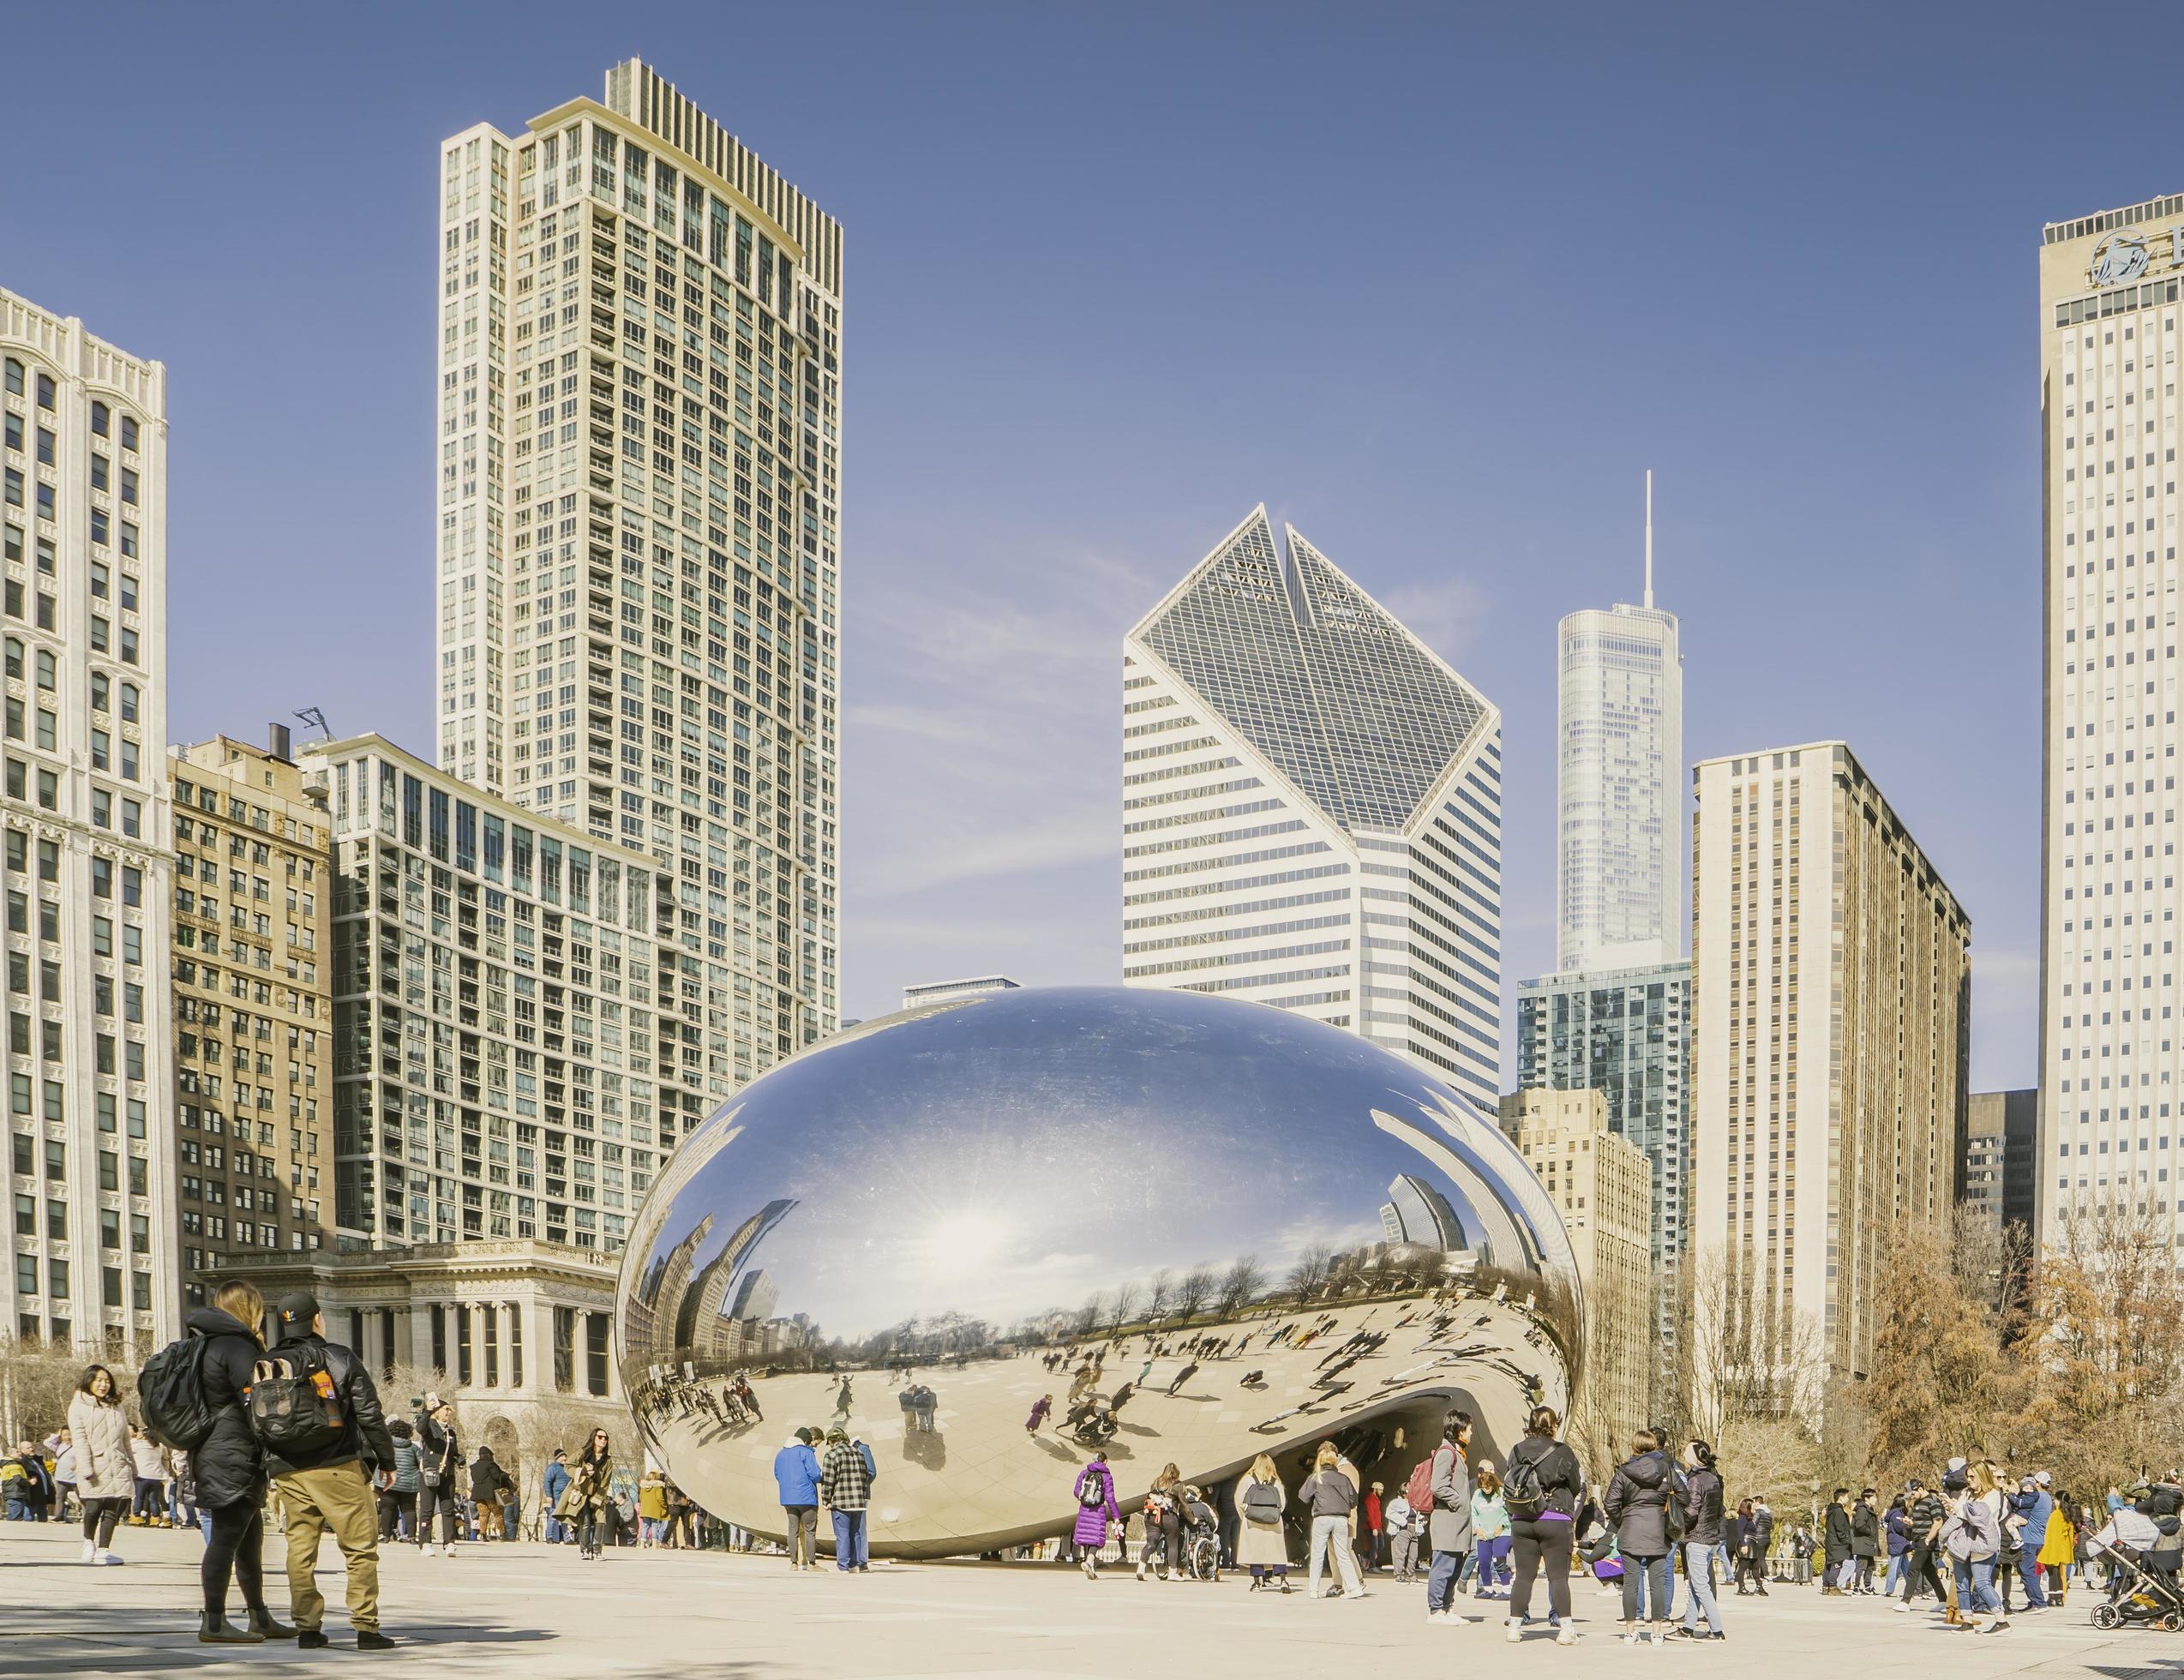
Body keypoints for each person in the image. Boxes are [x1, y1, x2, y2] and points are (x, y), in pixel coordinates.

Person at [262, 1290, 398, 1652]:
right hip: (336, 1465)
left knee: (300, 1548)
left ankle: (307, 1628)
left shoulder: (268, 1363)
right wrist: (387, 1460)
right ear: (317, 1319)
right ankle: (366, 1627)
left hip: (287, 1469)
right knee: (359, 1548)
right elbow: (369, 1412)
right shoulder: (337, 1356)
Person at [186, 1280, 290, 1644]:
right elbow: (264, 1404)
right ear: (250, 1309)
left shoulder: (203, 1345)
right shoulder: (238, 1347)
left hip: (213, 1451)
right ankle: (214, 1621)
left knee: (249, 1538)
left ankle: (259, 1615)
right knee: (227, 1538)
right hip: (233, 1454)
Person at [1502, 1404, 1582, 1644]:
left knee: (1523, 1577)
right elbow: (1575, 1485)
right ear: (1553, 1425)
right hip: (1555, 1517)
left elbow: (1511, 1479)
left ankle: (1515, 1627)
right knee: (1557, 1577)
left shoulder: (1516, 1450)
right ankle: (1566, 1629)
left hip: (1523, 1517)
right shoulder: (1563, 1451)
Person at [1604, 1428, 1676, 1644]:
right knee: (1657, 1583)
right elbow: (1684, 1497)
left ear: (1634, 1446)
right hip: (1658, 1530)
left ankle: (1629, 1631)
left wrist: (1622, 1519)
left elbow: (1610, 1503)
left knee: (1631, 1583)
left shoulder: (1624, 1471)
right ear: (1654, 1446)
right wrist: (1674, 1522)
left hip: (1631, 1529)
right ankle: (1656, 1632)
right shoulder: (1666, 1470)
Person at [67, 1365, 134, 1564]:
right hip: (95, 1462)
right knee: (94, 1506)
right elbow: (79, 1440)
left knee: (114, 1507)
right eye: (98, 1380)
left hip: (117, 1463)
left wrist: (132, 1463)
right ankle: (88, 1542)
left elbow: (125, 1439)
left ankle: (104, 1550)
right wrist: (86, 1467)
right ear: (89, 1381)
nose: (103, 1384)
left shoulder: (116, 1406)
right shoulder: (78, 1406)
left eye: (107, 1381)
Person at [1942, 1460, 2007, 1635]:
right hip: (1963, 1542)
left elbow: (1980, 1514)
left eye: (1972, 1477)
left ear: (1981, 1477)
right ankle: (1967, 1621)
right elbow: (1961, 1513)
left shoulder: (1993, 1495)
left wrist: (1958, 1508)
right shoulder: (1966, 1493)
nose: (1969, 1480)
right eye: (1967, 1477)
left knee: (1982, 1583)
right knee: (1962, 1583)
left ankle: (2001, 1620)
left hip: (1983, 1544)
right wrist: (1951, 1508)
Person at [1301, 1441, 1368, 1600]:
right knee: (1342, 1553)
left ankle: (1314, 1590)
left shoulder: (1318, 1476)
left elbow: (1303, 1496)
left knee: (1318, 1554)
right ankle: (1352, 1587)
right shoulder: (1343, 1475)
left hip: (1324, 1516)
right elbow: (1354, 1499)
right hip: (1341, 1518)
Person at [1425, 1410, 1473, 1622]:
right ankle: (1435, 1610)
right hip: (1447, 1519)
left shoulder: (1457, 1452)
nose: (1471, 1433)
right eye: (1469, 1429)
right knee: (1443, 1565)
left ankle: (1446, 1607)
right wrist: (1459, 1502)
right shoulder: (1446, 1453)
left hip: (1457, 1521)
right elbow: (1438, 1486)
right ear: (1458, 1430)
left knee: (1453, 1568)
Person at [1674, 1440, 1725, 1640]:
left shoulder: (1695, 1480)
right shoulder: (1712, 1478)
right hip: (1709, 1537)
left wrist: (1676, 1523)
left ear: (1694, 1457)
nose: (1683, 1454)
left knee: (1701, 1586)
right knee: (1696, 1584)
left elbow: (1692, 1511)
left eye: (1686, 1451)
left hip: (1697, 1538)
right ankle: (1688, 1627)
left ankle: (1717, 1629)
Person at [1895, 1477, 1951, 1613]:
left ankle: (1905, 1601)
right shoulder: (1918, 1502)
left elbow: (1938, 1521)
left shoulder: (1933, 1501)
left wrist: (1928, 1539)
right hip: (1918, 1539)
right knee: (1930, 1572)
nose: (1912, 1497)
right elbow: (1922, 1521)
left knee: (1913, 1569)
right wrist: (1911, 1523)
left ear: (1920, 1488)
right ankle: (1944, 1601)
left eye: (1912, 1494)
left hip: (1926, 1541)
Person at [819, 1426, 872, 1572]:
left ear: (832, 1441)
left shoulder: (832, 1455)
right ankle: (854, 1565)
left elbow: (828, 1480)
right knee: (855, 1533)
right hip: (859, 1503)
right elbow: (865, 1477)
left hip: (841, 1503)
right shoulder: (859, 1453)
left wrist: (826, 1500)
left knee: (842, 1534)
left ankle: (843, 1565)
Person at [416, 1401, 462, 1556]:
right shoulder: (429, 1425)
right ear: (437, 1411)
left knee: (448, 1509)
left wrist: (458, 1458)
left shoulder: (451, 1432)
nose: (449, 1412)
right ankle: (425, 1543)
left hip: (447, 1474)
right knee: (427, 1509)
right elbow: (420, 1428)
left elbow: (452, 1451)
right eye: (446, 1409)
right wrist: (427, 1412)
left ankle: (449, 1542)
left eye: (450, 1410)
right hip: (429, 1473)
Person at [773, 1428, 822, 1569]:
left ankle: (793, 1563)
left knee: (792, 1530)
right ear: (806, 1440)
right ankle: (812, 1563)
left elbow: (777, 1474)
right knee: (809, 1531)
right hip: (806, 1497)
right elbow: (814, 1474)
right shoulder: (806, 1452)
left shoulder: (781, 1454)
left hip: (788, 1498)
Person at [1072, 1449, 1120, 1581]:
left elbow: (1076, 1492)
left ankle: (1090, 1566)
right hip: (1098, 1510)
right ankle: (1090, 1561)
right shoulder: (1106, 1477)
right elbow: (1110, 1498)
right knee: (1095, 1538)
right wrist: (1116, 1516)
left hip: (1084, 1509)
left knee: (1086, 1536)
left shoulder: (1084, 1473)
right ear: (1105, 1461)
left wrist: (1086, 1498)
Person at [571, 1429, 615, 1560]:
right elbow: (568, 1465)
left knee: (600, 1521)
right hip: (583, 1492)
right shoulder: (582, 1453)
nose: (603, 1440)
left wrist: (599, 1497)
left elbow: (606, 1480)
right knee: (585, 1521)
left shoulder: (607, 1460)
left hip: (599, 1493)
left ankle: (597, 1551)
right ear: (593, 1438)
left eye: (605, 1438)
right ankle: (584, 1550)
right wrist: (582, 1471)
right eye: (600, 1437)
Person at [2011, 1473, 2053, 1611]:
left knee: (2027, 1572)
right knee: (2032, 1572)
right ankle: (2034, 1601)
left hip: (2028, 1539)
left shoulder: (2037, 1497)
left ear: (2038, 1484)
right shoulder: (2047, 1498)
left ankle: (2039, 1602)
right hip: (2038, 1539)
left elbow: (2018, 1504)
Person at [1137, 1463, 1184, 1581]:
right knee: (1172, 1544)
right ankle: (1172, 1572)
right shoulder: (1178, 1485)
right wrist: (1193, 1519)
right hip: (1168, 1517)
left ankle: (1141, 1568)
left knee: (1151, 1543)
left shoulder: (1156, 1482)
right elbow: (1184, 1505)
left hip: (1152, 1516)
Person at [1472, 1467, 1512, 1599]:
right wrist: (1477, 1528)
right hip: (1484, 1533)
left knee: (1499, 1559)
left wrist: (1502, 1525)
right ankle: (1488, 1590)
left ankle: (1507, 1590)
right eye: (1483, 1487)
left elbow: (1510, 1512)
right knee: (1483, 1562)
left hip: (1502, 1532)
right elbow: (1473, 1513)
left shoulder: (1502, 1493)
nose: (1485, 1490)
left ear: (1493, 1484)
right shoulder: (1477, 1494)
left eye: (1488, 1487)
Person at [379, 1421, 420, 1543]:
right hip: (409, 1484)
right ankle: (412, 1537)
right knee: (409, 1509)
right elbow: (420, 1464)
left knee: (387, 1509)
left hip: (388, 1482)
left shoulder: (385, 1445)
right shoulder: (413, 1448)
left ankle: (386, 1536)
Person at [2037, 1488, 2075, 1606]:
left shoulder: (2055, 1515)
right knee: (2058, 1573)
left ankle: (2052, 1597)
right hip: (2062, 1548)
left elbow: (2050, 1533)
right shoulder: (2068, 1515)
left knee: (2052, 1572)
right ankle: (2059, 1597)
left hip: (2053, 1547)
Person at [128, 1427, 171, 1527]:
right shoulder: (158, 1447)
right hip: (156, 1476)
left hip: (142, 1475)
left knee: (139, 1497)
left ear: (144, 1436)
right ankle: (155, 1518)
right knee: (153, 1499)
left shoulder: (137, 1445)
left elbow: (127, 1447)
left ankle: (137, 1517)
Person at [468, 1446, 507, 1541]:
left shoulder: (473, 1467)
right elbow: (497, 1476)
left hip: (477, 1494)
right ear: (489, 1455)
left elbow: (474, 1479)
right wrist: (506, 1474)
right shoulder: (491, 1464)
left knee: (483, 1514)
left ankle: (483, 1534)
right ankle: (502, 1534)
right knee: (498, 1513)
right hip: (490, 1493)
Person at [1386, 1484, 1421, 1584]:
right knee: (1400, 1553)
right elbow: (1390, 1513)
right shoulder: (1396, 1502)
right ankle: (1399, 1575)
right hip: (1403, 1530)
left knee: (1413, 1555)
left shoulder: (1414, 1503)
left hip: (1414, 1530)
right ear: (1404, 1491)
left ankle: (1411, 1575)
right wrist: (1403, 1522)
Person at [1822, 1488, 1854, 1594]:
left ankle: (1826, 1586)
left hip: (1830, 1540)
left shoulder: (1830, 1510)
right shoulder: (1838, 1511)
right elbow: (1841, 1528)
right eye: (1846, 1497)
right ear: (1841, 1498)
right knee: (1836, 1564)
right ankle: (1832, 1587)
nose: (1848, 1499)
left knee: (1829, 1564)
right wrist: (1846, 1540)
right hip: (1837, 1543)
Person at [541, 1448, 572, 1546]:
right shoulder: (552, 1468)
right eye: (562, 1456)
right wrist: (549, 1496)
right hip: (556, 1496)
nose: (565, 1458)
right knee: (553, 1517)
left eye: (565, 1456)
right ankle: (549, 1537)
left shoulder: (567, 1467)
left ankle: (567, 1538)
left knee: (564, 1517)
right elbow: (547, 1482)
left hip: (566, 1496)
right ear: (557, 1458)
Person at [1851, 1488, 1880, 1593]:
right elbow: (1859, 1526)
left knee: (1870, 1566)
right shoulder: (1862, 1510)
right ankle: (1856, 1587)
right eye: (1874, 1497)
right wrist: (1871, 1531)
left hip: (1869, 1543)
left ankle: (1868, 1587)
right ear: (1867, 1498)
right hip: (1863, 1542)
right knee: (1861, 1566)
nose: (1876, 1499)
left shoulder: (1869, 1509)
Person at [638, 1468, 669, 1546]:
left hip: (645, 1509)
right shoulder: (658, 1486)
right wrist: (664, 1505)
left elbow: (640, 1497)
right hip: (655, 1508)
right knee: (655, 1525)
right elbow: (659, 1497)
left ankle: (642, 1543)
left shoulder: (643, 1486)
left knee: (645, 1525)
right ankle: (654, 1544)